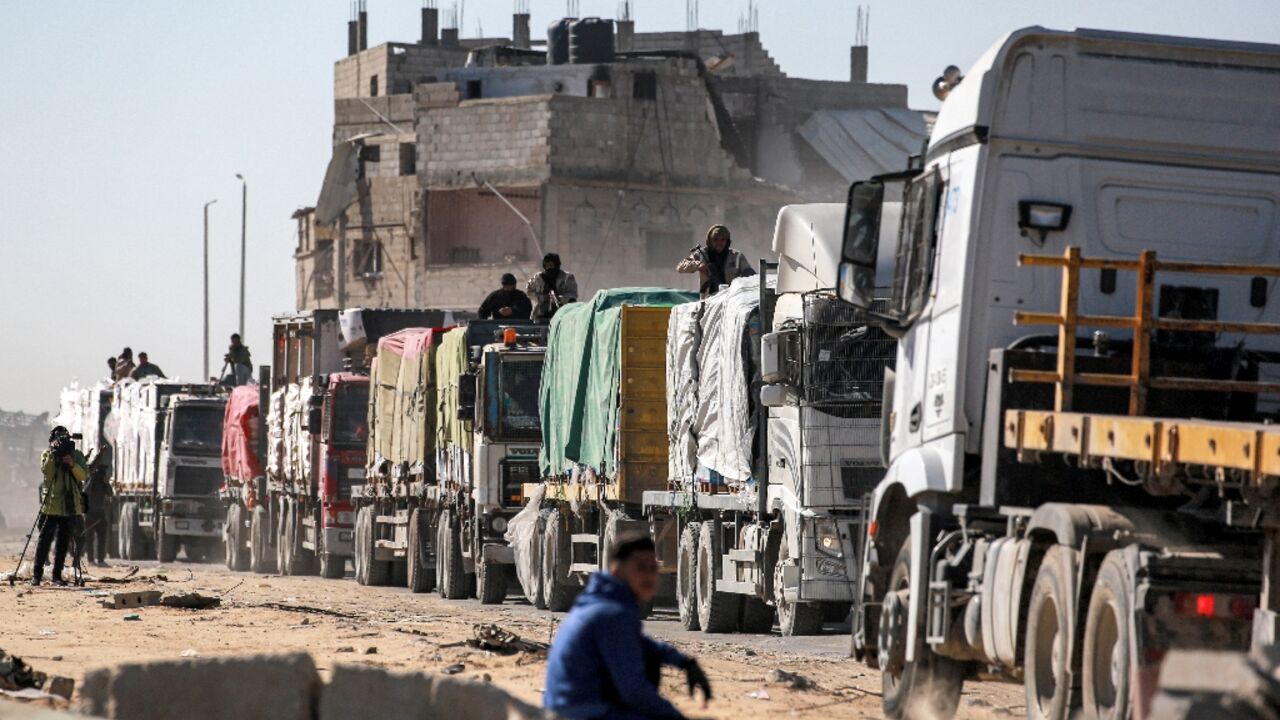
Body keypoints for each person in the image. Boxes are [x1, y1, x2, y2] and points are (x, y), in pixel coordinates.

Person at [543, 535, 712, 719]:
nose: (648, 576)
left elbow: (639, 644)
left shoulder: (599, 602)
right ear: (617, 571)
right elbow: (634, 690)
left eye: (653, 568)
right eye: (640, 567)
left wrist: (684, 662)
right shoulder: (612, 614)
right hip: (584, 712)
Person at [32, 427, 88, 586]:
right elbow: (47, 472)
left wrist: (72, 464)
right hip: (51, 505)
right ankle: (36, 575)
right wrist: (53, 454)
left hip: (69, 506)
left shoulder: (76, 456)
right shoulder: (47, 454)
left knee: (63, 543)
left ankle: (57, 575)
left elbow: (83, 475)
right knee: (44, 542)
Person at [676, 224, 755, 299]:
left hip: (730, 300)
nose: (719, 243)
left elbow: (750, 274)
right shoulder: (702, 254)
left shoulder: (736, 256)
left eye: (723, 240)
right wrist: (698, 265)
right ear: (710, 241)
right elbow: (681, 267)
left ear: (727, 241)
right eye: (715, 240)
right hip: (708, 302)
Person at [82, 445, 114, 567]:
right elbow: (85, 492)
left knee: (102, 537)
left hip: (99, 513)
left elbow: (110, 494)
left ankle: (100, 559)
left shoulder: (102, 483)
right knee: (89, 538)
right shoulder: (90, 481)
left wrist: (106, 484)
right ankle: (91, 560)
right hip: (90, 513)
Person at [526, 253, 578, 321]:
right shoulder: (538, 278)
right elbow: (529, 291)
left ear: (556, 265)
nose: (549, 268)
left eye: (551, 265)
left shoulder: (567, 278)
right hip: (541, 315)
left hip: (563, 315)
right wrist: (542, 297)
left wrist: (561, 298)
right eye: (547, 265)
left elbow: (573, 294)